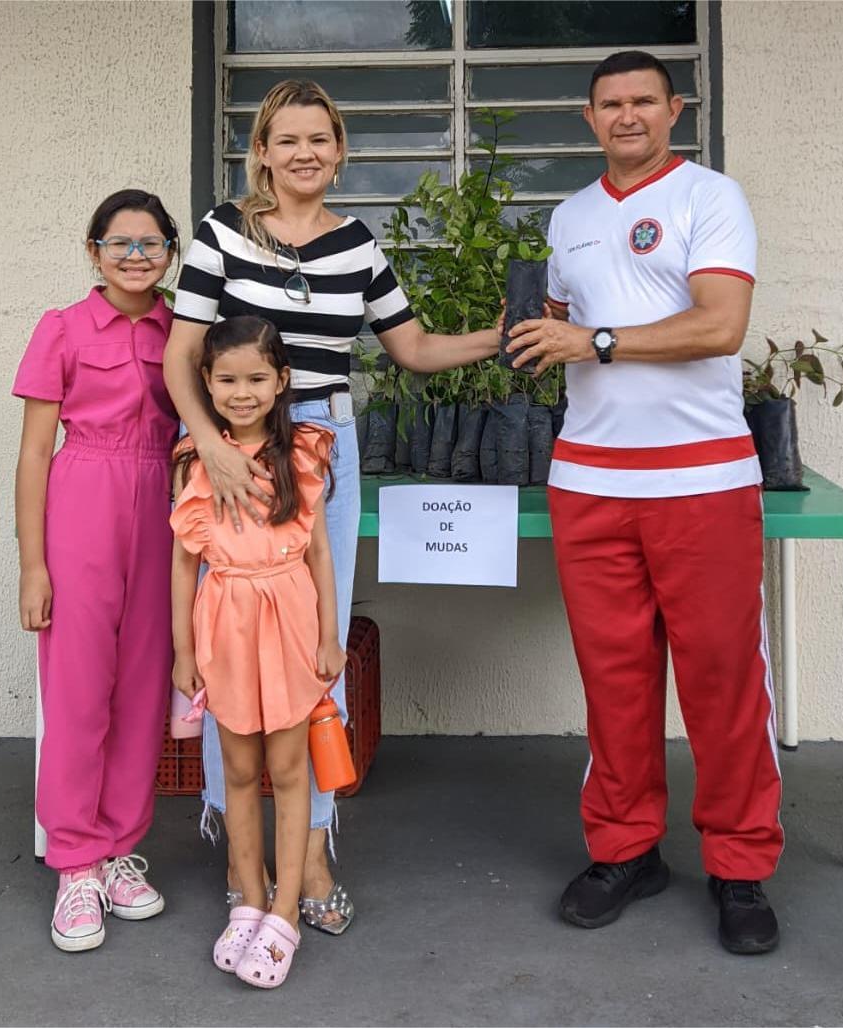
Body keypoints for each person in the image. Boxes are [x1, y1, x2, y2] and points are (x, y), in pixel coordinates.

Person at [163, 79, 499, 929]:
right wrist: (209, 445)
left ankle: (309, 857)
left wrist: (503, 334)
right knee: (229, 647)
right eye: (288, 139)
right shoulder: (220, 235)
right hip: (236, 448)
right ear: (263, 152)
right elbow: (182, 357)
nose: (304, 152)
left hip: (325, 449)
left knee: (315, 654)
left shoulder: (358, 245)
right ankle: (244, 868)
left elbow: (412, 347)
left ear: (340, 152)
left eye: (320, 139)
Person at [506, 50, 782, 955]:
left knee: (721, 680)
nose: (625, 117)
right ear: (587, 118)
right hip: (589, 481)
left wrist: (600, 339)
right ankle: (626, 850)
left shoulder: (709, 197)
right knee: (615, 683)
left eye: (642, 102)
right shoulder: (570, 215)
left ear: (674, 109)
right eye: (608, 105)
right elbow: (552, 334)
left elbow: (719, 324)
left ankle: (739, 868)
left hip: (700, 482)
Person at [13, 189, 180, 951]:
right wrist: (33, 567)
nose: (136, 257)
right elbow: (33, 454)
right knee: (80, 688)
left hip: (161, 506)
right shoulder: (63, 328)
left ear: (170, 253)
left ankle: (117, 848)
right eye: (121, 244)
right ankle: (74, 863)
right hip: (83, 501)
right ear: (93, 251)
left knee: (145, 684)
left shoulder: (184, 330)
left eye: (151, 244)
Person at [170, 315, 342, 988]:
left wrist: (328, 634)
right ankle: (246, 897)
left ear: (281, 381)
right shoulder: (197, 458)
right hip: (227, 623)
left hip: (289, 617)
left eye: (256, 379)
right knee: (237, 769)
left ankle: (284, 913)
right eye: (227, 380)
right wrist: (184, 652)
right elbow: (185, 564)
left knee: (289, 769)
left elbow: (321, 551)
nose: (242, 393)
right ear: (206, 383)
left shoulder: (303, 450)